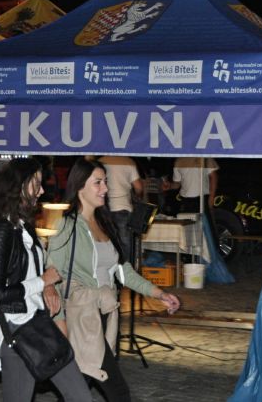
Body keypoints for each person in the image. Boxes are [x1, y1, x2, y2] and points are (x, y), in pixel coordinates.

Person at [47, 158, 180, 402]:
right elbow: (52, 278)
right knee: (117, 391)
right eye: (98, 182)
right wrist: (60, 323)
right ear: (80, 186)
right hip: (83, 318)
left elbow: (122, 271)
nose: (105, 188)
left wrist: (159, 294)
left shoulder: (105, 223)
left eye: (105, 182)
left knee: (79, 389)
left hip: (106, 315)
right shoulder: (67, 226)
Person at [0, 158, 91, 402]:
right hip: (18, 331)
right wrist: (42, 281)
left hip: (39, 324)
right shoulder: (0, 230)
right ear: (19, 185)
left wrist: (47, 285)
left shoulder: (24, 226)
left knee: (80, 396)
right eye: (36, 184)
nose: (41, 191)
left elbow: (36, 267)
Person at [98, 155, 144, 259]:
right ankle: (125, 266)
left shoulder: (100, 161)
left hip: (102, 207)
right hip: (123, 206)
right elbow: (139, 187)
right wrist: (136, 195)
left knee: (105, 240)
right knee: (125, 241)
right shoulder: (128, 162)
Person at [163, 157, 219, 239]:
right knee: (188, 232)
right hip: (185, 201)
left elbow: (214, 176)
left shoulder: (204, 156)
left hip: (202, 199)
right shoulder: (178, 161)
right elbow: (177, 184)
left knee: (207, 231)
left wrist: (211, 197)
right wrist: (170, 186)